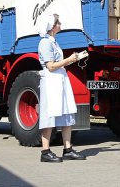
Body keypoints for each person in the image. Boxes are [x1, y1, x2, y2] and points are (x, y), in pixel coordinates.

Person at [37, 14, 86, 163]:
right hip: (51, 82)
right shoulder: (45, 43)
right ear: (52, 27)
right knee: (49, 115)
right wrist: (68, 60)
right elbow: (50, 66)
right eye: (58, 22)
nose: (60, 23)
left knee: (66, 113)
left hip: (60, 80)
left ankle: (67, 149)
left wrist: (73, 59)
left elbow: (58, 63)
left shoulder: (53, 42)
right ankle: (45, 151)